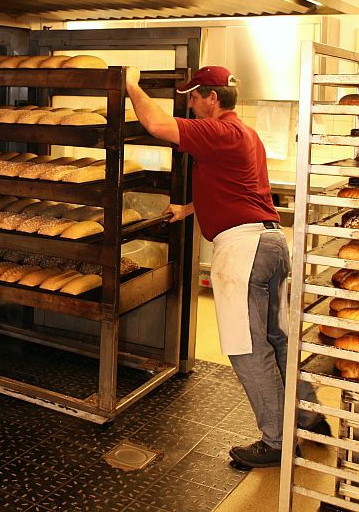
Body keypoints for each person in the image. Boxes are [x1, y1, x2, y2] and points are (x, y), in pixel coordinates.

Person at [124, 65, 330, 469]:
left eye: (193, 97)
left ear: (212, 98)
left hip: (243, 251)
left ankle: (277, 442)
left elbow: (155, 124)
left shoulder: (217, 131)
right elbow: (238, 188)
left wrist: (130, 84)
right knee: (278, 340)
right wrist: (189, 208)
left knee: (247, 349)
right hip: (271, 243)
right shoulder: (246, 134)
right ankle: (309, 418)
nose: (190, 104)